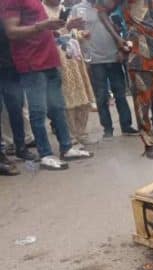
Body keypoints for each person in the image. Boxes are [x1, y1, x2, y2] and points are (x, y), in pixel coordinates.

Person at [2, 0, 93, 170]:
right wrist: (41, 26)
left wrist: (65, 25)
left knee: (58, 107)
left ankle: (66, 147)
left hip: (49, 59)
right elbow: (12, 32)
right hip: (31, 63)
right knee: (38, 111)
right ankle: (45, 154)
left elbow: (46, 32)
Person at [96, 0, 153, 159]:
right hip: (141, 52)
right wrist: (118, 39)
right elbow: (101, 10)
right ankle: (149, 144)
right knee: (143, 102)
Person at [72, 0, 138, 139]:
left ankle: (126, 126)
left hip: (114, 57)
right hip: (95, 60)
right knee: (101, 97)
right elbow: (73, 34)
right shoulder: (77, 10)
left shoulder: (108, 5)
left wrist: (122, 50)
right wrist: (84, 56)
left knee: (120, 94)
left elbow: (122, 27)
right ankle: (107, 129)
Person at [44, 0, 98, 147]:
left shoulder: (63, 9)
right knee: (66, 99)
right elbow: (47, 37)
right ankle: (71, 136)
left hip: (74, 60)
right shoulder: (42, 11)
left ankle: (82, 133)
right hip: (58, 60)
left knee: (82, 96)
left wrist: (80, 34)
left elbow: (70, 34)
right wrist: (67, 27)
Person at [0, 21, 37, 169]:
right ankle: (3, 153)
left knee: (16, 109)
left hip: (10, 69)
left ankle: (21, 147)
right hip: (9, 68)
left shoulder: (7, 15)